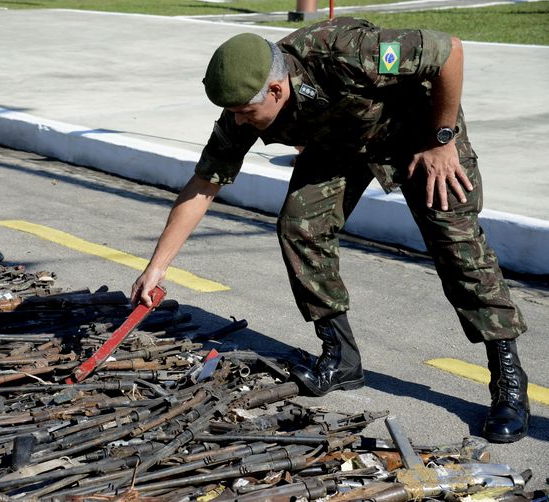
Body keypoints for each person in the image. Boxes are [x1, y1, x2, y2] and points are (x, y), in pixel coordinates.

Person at [130, 17, 530, 443]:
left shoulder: (344, 51)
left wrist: (442, 138)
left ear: (277, 90)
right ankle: (342, 358)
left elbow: (449, 51)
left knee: (456, 245)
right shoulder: (243, 108)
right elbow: (204, 184)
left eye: (247, 112)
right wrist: (157, 267)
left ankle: (508, 381)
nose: (240, 122)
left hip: (417, 131)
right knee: (301, 227)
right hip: (339, 142)